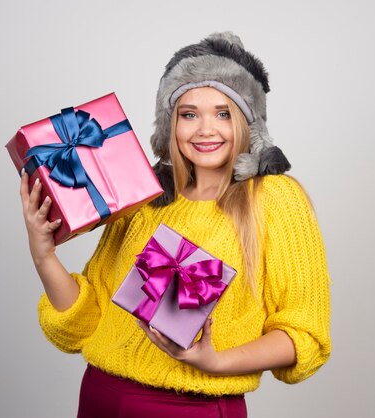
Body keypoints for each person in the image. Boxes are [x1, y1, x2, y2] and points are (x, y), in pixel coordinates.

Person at [19, 32, 331, 418]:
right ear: (171, 124)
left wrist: (214, 361)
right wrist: (43, 255)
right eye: (188, 114)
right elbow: (84, 323)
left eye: (222, 113)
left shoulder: (275, 199)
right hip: (101, 395)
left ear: (249, 123)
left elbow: (304, 336)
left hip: (191, 408)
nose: (204, 129)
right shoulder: (145, 199)